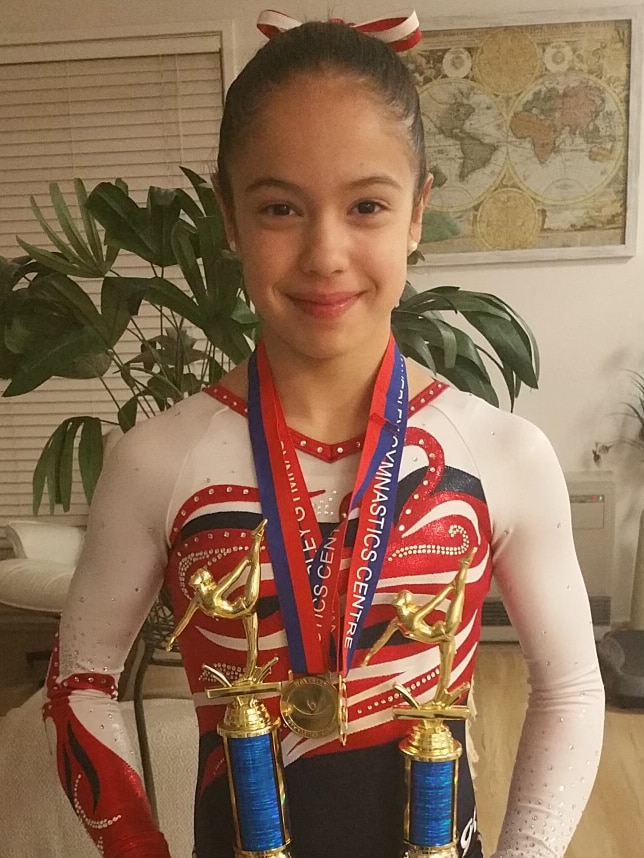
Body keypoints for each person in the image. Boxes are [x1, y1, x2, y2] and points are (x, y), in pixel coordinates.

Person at [43, 11, 605, 858]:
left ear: (417, 214)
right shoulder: (156, 461)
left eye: (367, 205)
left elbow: (567, 688)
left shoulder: (505, 455)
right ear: (229, 218)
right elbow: (80, 683)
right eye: (280, 208)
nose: (326, 253)